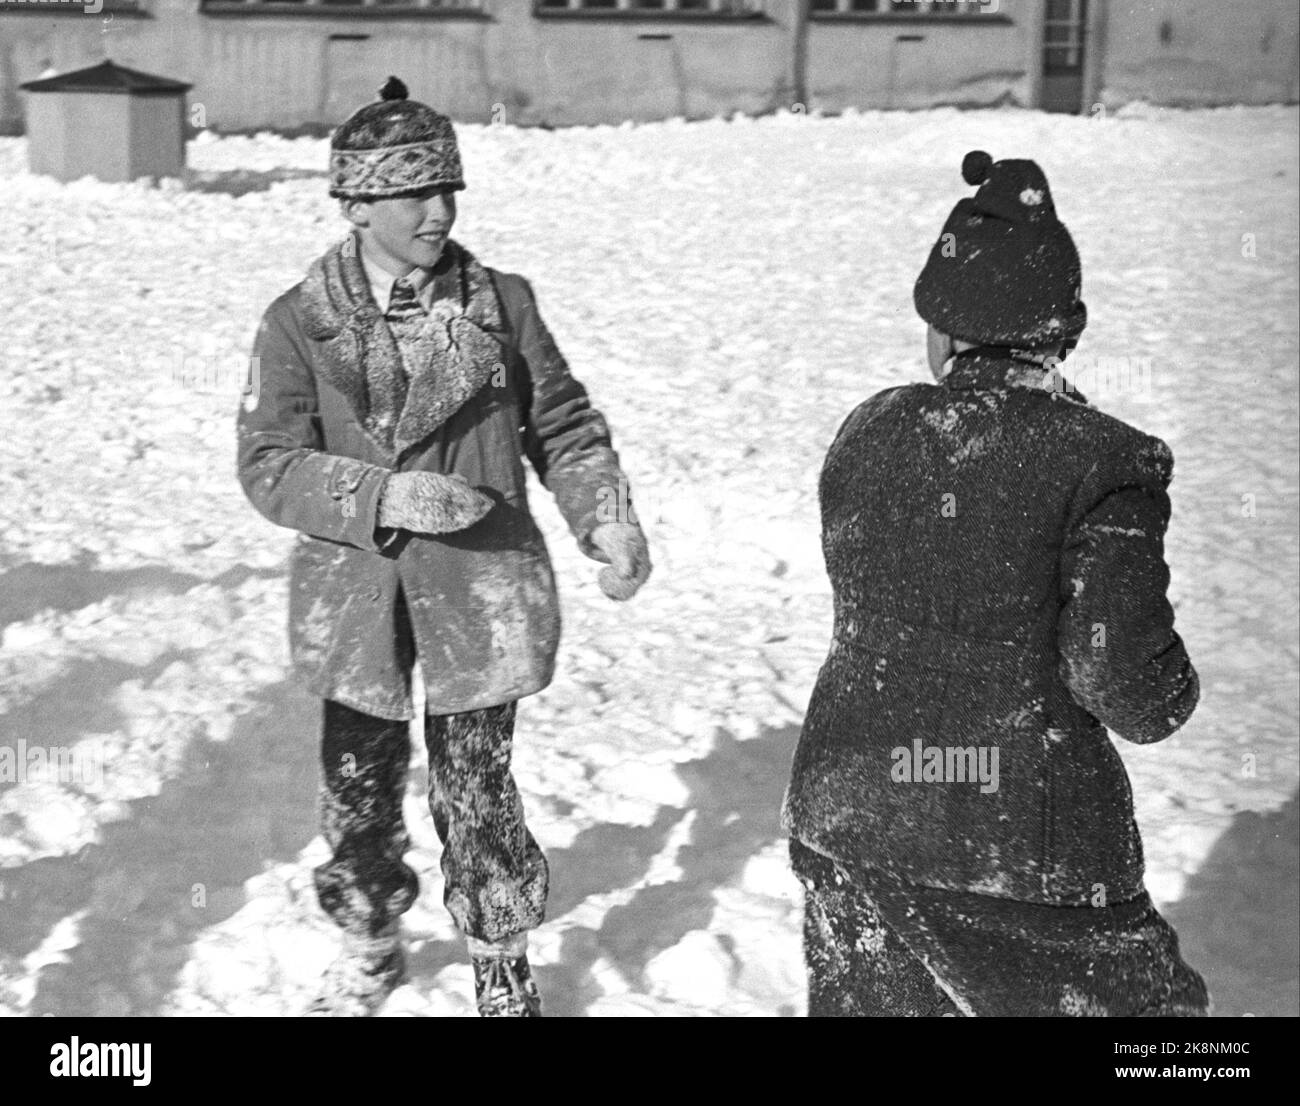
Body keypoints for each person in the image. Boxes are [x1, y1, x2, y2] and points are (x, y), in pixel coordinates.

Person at [236, 77, 651, 1018]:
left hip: (481, 583)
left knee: (478, 788)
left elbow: (568, 428)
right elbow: (267, 463)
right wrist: (381, 494)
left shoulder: (503, 304)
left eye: (448, 190)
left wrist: (606, 516)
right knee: (359, 789)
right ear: (358, 203)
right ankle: (371, 941)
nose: (439, 211)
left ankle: (501, 962)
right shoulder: (297, 322)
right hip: (357, 597)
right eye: (415, 193)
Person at [782, 150, 1208, 1017]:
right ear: (1062, 332)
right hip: (1021, 849)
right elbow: (1126, 686)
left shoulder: (866, 430)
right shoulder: (1105, 461)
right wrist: (1176, 688)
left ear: (941, 330)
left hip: (846, 816)